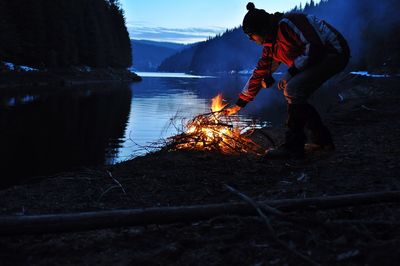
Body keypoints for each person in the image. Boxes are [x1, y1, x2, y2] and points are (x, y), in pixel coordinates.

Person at [224, 2, 350, 159]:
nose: (250, 39)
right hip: (320, 57)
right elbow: (259, 74)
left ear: (261, 29)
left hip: (334, 51)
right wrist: (239, 105)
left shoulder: (289, 23)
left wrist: (290, 73)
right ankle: (322, 142)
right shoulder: (271, 46)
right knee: (296, 93)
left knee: (293, 89)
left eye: (251, 35)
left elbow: (314, 46)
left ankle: (293, 147)